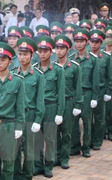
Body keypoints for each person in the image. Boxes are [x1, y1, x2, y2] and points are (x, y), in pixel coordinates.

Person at [0, 42, 25, 180]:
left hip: (9, 125)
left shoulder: (17, 81)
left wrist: (19, 126)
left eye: (3, 60)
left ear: (9, 61)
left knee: (9, 163)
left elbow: (20, 106)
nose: (0, 63)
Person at [12, 37, 45, 180]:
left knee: (29, 149)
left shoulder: (38, 75)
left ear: (32, 55)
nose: (22, 57)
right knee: (15, 148)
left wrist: (38, 119)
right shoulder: (13, 74)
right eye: (20, 54)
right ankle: (15, 173)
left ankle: (27, 175)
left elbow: (40, 100)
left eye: (26, 54)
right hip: (15, 117)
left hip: (30, 115)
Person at [33, 36, 65, 178]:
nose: (42, 53)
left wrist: (60, 112)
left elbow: (61, 92)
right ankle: (38, 165)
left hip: (51, 107)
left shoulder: (58, 70)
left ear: (51, 52)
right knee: (36, 138)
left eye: (45, 51)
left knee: (50, 139)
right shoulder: (34, 70)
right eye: (40, 51)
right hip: (37, 108)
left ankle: (48, 166)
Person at [54, 35, 83, 169]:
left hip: (68, 101)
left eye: (62, 48)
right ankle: (56, 156)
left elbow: (78, 86)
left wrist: (78, 104)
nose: (59, 51)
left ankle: (65, 158)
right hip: (54, 103)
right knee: (54, 132)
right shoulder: (52, 66)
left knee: (66, 132)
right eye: (57, 48)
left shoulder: (74, 67)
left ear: (68, 49)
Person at [70, 28, 99, 158]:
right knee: (73, 123)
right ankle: (75, 147)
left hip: (87, 94)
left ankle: (86, 147)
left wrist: (94, 97)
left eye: (81, 41)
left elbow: (95, 80)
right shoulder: (71, 59)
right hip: (74, 95)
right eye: (77, 41)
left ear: (87, 42)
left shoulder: (93, 59)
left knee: (87, 122)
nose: (79, 44)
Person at [89, 30, 112, 150]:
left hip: (101, 90)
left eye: (97, 42)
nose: (94, 44)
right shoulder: (86, 57)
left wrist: (108, 92)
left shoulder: (106, 57)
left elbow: (109, 76)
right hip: (88, 91)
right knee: (88, 118)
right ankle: (88, 140)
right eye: (92, 42)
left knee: (99, 117)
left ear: (101, 43)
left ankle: (97, 141)